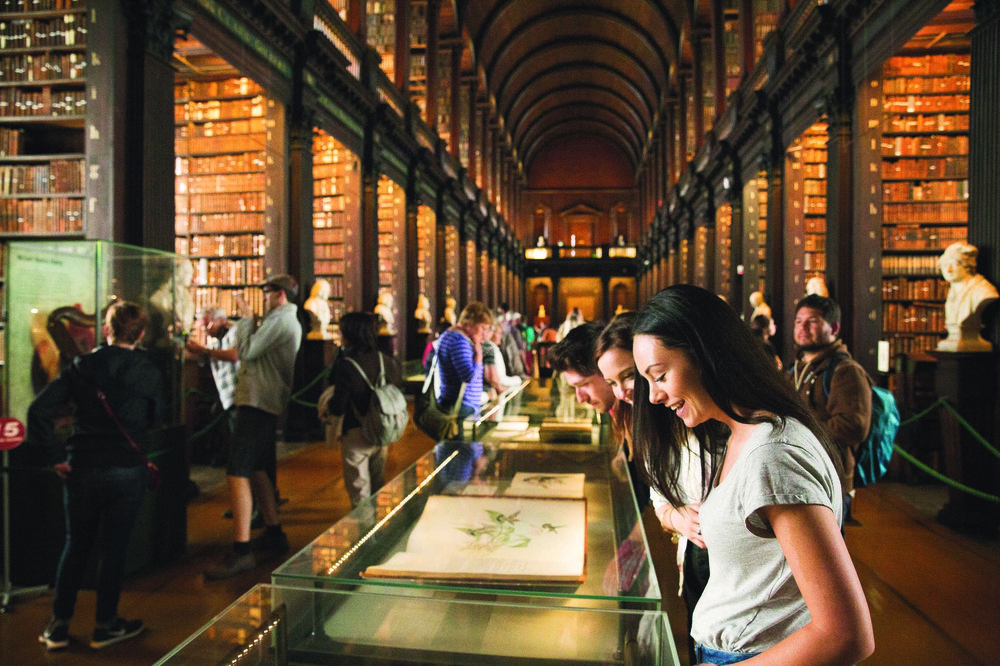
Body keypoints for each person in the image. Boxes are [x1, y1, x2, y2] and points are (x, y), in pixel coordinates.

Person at [632, 285, 873, 664]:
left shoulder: (773, 454)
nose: (653, 397)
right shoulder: (742, 434)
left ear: (705, 355)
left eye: (660, 375)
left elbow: (844, 634)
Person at [30, 301, 165, 651]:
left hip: (82, 468)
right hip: (126, 469)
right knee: (115, 549)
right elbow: (154, 418)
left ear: (107, 330)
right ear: (141, 334)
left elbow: (39, 409)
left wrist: (56, 457)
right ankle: (105, 625)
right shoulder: (148, 371)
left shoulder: (82, 367)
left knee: (76, 545)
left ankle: (58, 626)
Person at [596, 312, 710, 666]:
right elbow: (660, 495)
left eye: (629, 376)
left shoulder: (693, 416)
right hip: (695, 562)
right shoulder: (654, 422)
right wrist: (675, 516)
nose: (622, 392)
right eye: (611, 383)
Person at [205, 274, 302, 580]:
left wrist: (245, 319)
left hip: (258, 402)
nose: (263, 298)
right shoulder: (278, 320)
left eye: (267, 292)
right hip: (259, 400)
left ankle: (242, 550)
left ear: (281, 295)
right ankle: (274, 533)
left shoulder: (282, 320)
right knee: (258, 469)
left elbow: (247, 352)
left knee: (237, 471)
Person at [789, 294, 872, 526]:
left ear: (834, 327)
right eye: (798, 321)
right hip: (796, 474)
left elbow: (852, 426)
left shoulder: (845, 370)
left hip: (829, 478)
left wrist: (795, 432)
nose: (803, 327)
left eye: (812, 321)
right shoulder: (795, 369)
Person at [326, 312, 402, 506]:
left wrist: (327, 407)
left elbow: (338, 405)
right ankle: (379, 529)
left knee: (359, 492)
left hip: (355, 433)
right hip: (381, 430)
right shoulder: (386, 360)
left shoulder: (347, 365)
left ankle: (365, 532)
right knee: (378, 486)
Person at [186, 308, 239, 466]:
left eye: (208, 324)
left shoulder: (235, 332)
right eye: (203, 326)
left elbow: (234, 355)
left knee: (237, 433)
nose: (206, 330)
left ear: (222, 320)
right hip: (226, 396)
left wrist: (203, 350)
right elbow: (205, 358)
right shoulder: (216, 341)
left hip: (238, 394)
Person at [436, 301, 493, 433]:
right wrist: (478, 355)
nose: (484, 333)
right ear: (470, 323)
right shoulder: (459, 341)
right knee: (461, 450)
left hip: (458, 404)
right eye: (483, 328)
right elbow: (469, 376)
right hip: (460, 407)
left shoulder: (452, 336)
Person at [937, 242, 999, 352]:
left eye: (954, 264)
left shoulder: (983, 291)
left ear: (967, 265)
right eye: (945, 265)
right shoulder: (952, 291)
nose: (948, 270)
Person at [483, 321, 523, 395]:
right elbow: (497, 379)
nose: (501, 336)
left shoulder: (491, 348)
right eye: (499, 333)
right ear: (493, 333)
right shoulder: (490, 348)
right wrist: (518, 380)